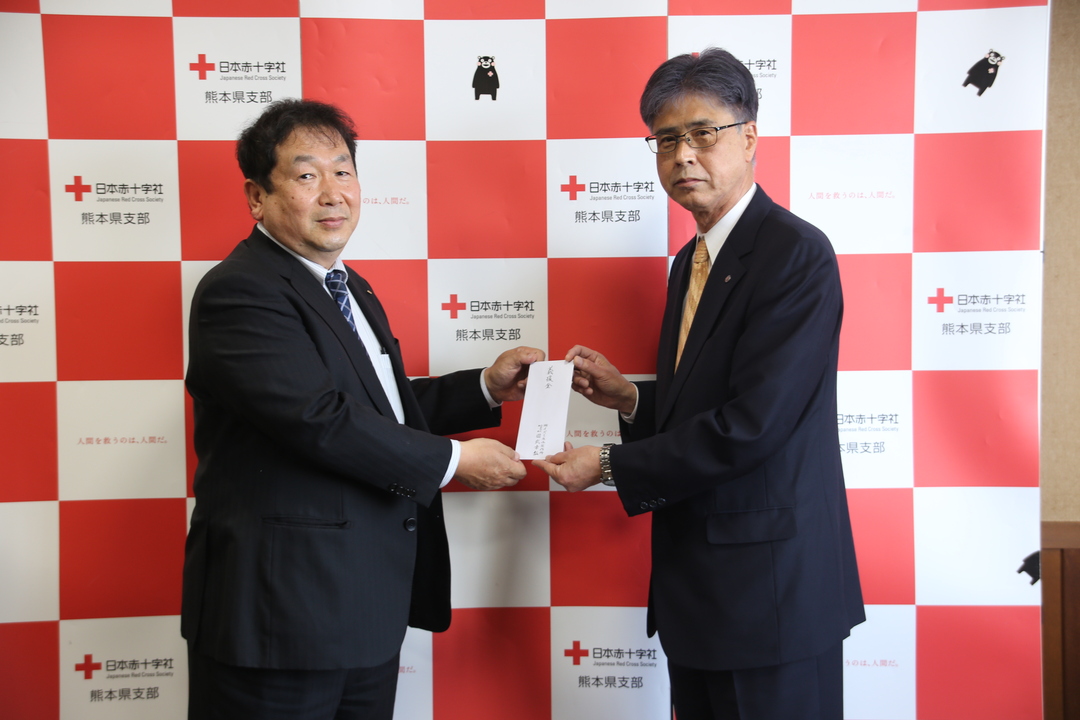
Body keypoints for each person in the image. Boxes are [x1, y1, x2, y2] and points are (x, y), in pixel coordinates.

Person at [182, 98, 543, 720]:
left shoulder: (349, 286)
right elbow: (318, 418)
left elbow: (378, 407)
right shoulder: (239, 290)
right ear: (257, 197)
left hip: (362, 610)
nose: (333, 193)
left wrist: (485, 387)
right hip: (276, 619)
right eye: (306, 175)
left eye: (343, 171)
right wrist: (454, 461)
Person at [535, 48, 864, 720]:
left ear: (749, 136)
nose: (683, 155)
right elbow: (710, 401)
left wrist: (608, 464)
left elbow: (753, 425)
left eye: (703, 133)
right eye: (665, 140)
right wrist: (630, 398)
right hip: (699, 594)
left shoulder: (796, 254)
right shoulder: (689, 261)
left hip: (770, 596)